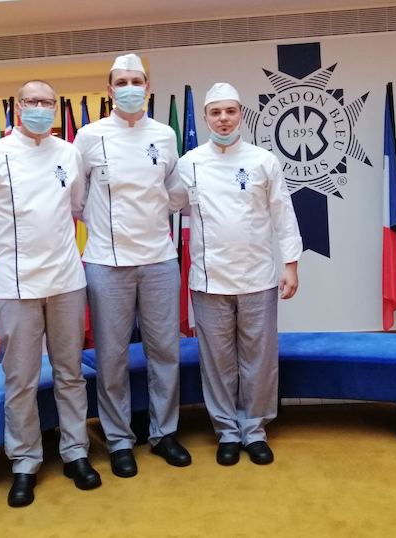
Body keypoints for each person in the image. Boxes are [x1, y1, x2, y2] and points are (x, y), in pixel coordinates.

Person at [0, 80, 100, 507]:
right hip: (13, 285)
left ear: (55, 109)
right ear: (18, 107)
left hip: (66, 281)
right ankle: (24, 461)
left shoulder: (69, 153)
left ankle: (76, 451)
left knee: (70, 373)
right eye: (32, 101)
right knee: (20, 379)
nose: (40, 107)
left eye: (47, 102)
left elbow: (77, 207)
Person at [73, 53, 190, 478]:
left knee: (165, 351)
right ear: (109, 90)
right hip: (107, 261)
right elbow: (76, 198)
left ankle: (164, 433)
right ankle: (120, 440)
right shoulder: (88, 136)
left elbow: (176, 190)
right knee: (111, 356)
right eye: (120, 82)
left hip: (159, 259)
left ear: (147, 87)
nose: (128, 88)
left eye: (135, 81)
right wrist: (103, 226)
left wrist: (155, 216)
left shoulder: (165, 134)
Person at [174, 82, 303, 466]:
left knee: (258, 358)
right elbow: (166, 203)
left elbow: (283, 213)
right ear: (205, 118)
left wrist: (291, 265)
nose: (223, 119)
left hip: (257, 276)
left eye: (230, 111)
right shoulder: (189, 163)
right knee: (217, 361)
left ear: (241, 114)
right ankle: (227, 431)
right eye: (216, 112)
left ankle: (254, 429)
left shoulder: (263, 161)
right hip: (209, 279)